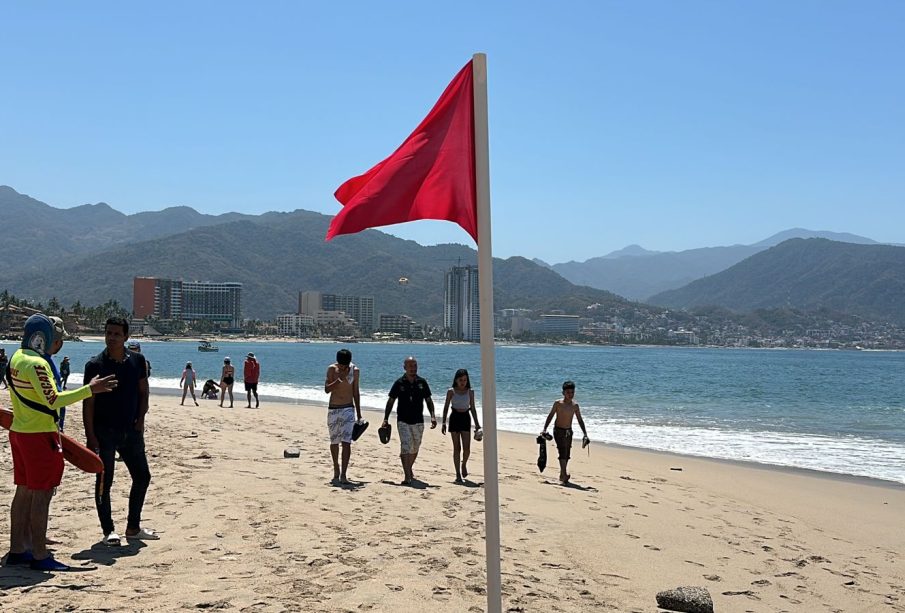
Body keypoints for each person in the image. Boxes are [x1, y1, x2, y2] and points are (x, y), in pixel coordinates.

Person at [5, 314, 116, 571]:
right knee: (42, 494)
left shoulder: (16, 358)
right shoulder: (38, 365)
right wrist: (91, 389)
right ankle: (41, 555)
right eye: (55, 339)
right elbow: (53, 400)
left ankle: (17, 549)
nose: (58, 344)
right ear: (43, 339)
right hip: (39, 436)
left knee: (23, 491)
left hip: (19, 431)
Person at [83, 316, 158, 545]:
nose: (111, 337)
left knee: (142, 476)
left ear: (126, 336)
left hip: (131, 431)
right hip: (104, 431)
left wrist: (141, 420)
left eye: (116, 334)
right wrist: (90, 436)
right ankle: (109, 531)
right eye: (108, 333)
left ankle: (133, 527)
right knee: (105, 481)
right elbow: (88, 402)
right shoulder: (95, 365)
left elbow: (144, 392)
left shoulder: (137, 361)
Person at [383, 356, 436, 485]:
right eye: (410, 366)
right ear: (405, 368)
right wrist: (385, 418)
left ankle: (408, 467)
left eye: (415, 366)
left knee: (415, 446)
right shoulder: (399, 383)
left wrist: (433, 416)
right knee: (405, 446)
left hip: (418, 420)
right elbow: (391, 400)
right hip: (403, 420)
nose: (413, 368)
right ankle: (407, 476)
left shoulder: (422, 382)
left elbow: (428, 400)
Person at [324, 348, 362, 484]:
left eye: (344, 365)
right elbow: (327, 389)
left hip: (348, 409)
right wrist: (340, 379)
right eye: (340, 365)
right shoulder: (332, 369)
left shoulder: (355, 371)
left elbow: (356, 392)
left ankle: (344, 474)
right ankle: (336, 468)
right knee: (334, 442)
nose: (342, 367)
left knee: (346, 442)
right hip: (334, 408)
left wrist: (359, 413)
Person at [541, 380, 589, 484]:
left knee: (567, 453)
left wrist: (585, 434)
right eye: (568, 392)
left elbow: (580, 420)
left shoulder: (575, 406)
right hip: (558, 430)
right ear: (563, 393)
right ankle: (564, 474)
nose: (570, 395)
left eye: (572, 392)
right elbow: (550, 415)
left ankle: (562, 474)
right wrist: (544, 429)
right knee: (562, 451)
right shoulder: (558, 404)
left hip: (569, 431)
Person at [441, 368, 481, 483]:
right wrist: (443, 422)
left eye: (464, 380)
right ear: (456, 380)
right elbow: (445, 408)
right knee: (456, 448)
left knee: (467, 449)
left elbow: (473, 408)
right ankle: (458, 474)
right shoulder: (451, 391)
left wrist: (477, 424)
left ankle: (464, 464)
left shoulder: (470, 391)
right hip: (454, 417)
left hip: (465, 418)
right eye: (460, 380)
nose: (462, 382)